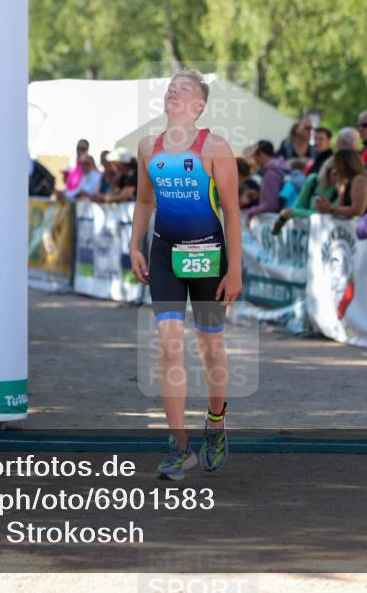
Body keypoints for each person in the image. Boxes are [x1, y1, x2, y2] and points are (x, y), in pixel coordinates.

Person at [128, 69, 242, 481]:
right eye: (171, 88)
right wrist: (133, 244)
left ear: (199, 106)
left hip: (209, 256)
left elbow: (231, 211)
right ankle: (178, 447)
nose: (175, 91)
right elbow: (144, 200)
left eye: (185, 89)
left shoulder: (214, 147)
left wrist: (235, 269)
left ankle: (215, 421)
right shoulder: (148, 147)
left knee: (211, 348)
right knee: (169, 348)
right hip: (165, 256)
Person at [244, 140, 290, 221]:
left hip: (274, 220)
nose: (255, 160)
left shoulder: (271, 174)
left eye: (255, 156)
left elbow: (271, 204)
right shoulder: (282, 168)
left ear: (261, 154)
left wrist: (252, 211)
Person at [281, 155, 339, 219]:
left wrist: (298, 213)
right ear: (327, 171)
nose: (339, 177)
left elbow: (331, 216)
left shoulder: (341, 190)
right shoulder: (313, 181)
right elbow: (297, 207)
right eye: (335, 173)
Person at [327, 148, 367, 217]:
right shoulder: (348, 181)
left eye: (336, 164)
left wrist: (330, 208)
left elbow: (357, 210)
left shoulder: (360, 179)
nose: (335, 168)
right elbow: (342, 206)